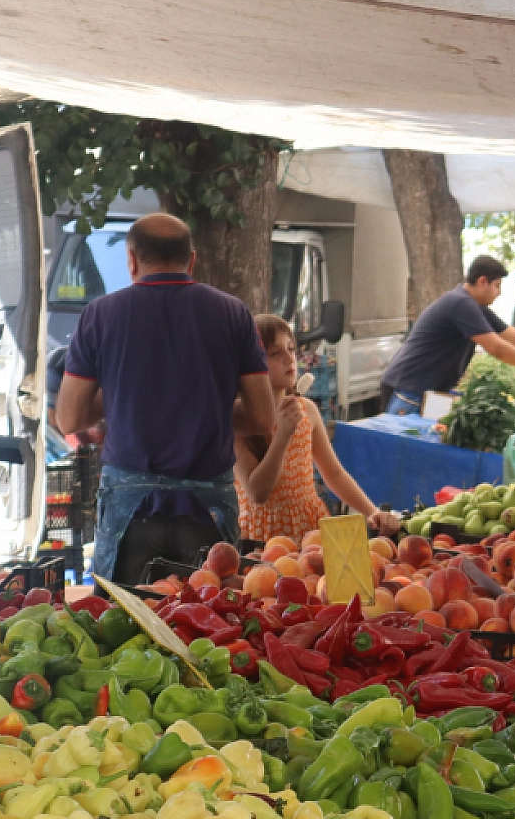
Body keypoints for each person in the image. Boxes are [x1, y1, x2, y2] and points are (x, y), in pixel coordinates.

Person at [56, 213, 278, 584]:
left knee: (124, 625)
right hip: (207, 513)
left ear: (130, 259)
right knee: (206, 625)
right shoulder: (233, 314)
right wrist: (205, 408)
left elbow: (69, 418)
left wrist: (126, 397)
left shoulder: (101, 315)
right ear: (191, 260)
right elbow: (261, 418)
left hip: (131, 512)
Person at [235, 314, 399, 543]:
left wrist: (372, 512)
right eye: (274, 353)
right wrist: (282, 435)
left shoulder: (307, 411)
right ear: (251, 363)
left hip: (310, 530)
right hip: (264, 539)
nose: (289, 359)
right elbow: (257, 494)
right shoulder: (240, 420)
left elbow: (334, 474)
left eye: (291, 349)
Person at [379, 256, 515, 415]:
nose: (499, 293)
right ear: (483, 281)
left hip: (425, 392)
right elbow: (496, 348)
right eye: (497, 286)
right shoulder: (460, 303)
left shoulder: (474, 306)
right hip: (409, 391)